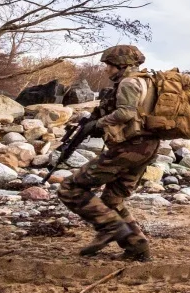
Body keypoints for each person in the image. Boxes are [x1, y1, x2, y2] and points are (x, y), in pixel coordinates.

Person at [58, 44, 160, 261]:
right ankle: (137, 247)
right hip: (147, 147)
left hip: (130, 147)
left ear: (120, 65)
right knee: (113, 199)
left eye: (108, 65)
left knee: (70, 187)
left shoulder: (128, 82)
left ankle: (109, 227)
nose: (106, 69)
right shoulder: (147, 81)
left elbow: (125, 113)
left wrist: (97, 125)